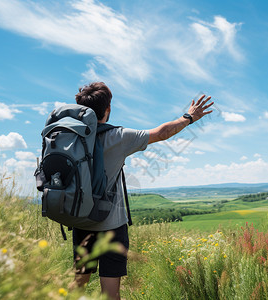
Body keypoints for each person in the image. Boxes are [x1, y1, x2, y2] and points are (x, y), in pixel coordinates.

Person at [69, 82, 213, 299]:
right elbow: (161, 133)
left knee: (78, 281)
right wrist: (188, 117)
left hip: (81, 221)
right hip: (111, 224)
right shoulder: (118, 136)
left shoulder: (71, 139)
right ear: (107, 110)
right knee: (110, 293)